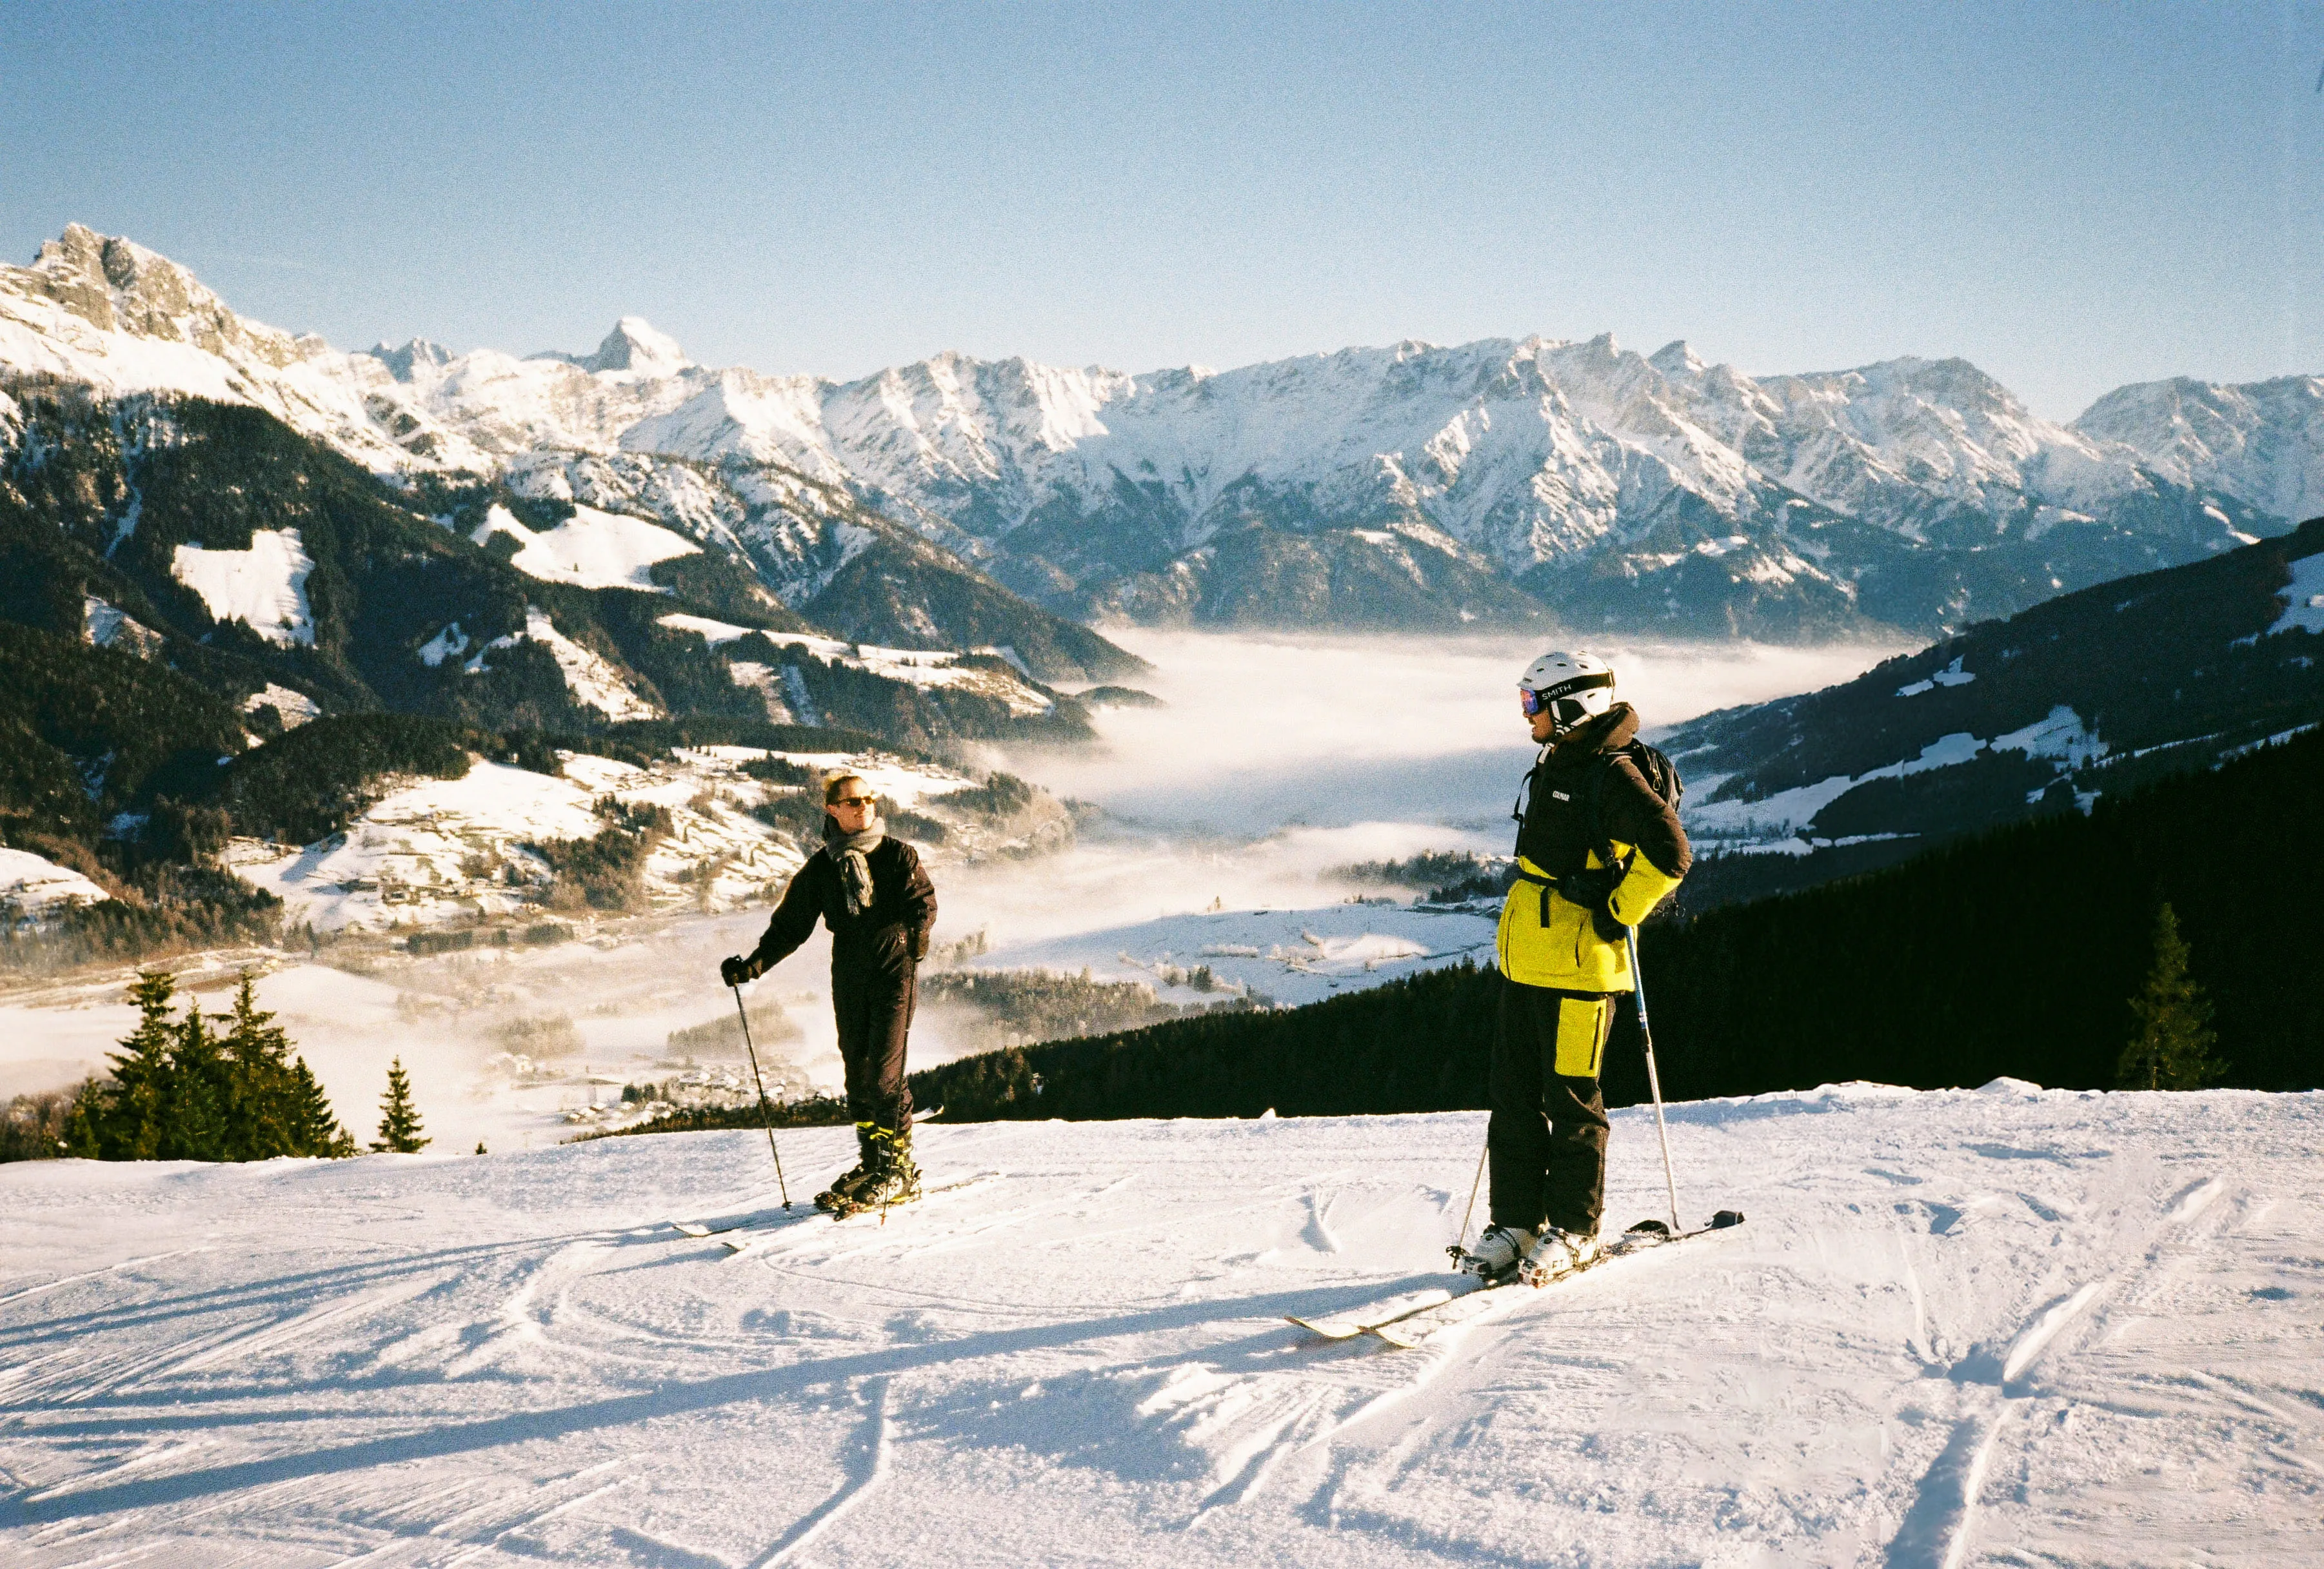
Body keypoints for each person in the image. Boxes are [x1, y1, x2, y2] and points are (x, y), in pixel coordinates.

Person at [1462, 651, 1691, 1286]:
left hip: (1581, 970)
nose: (1526, 715)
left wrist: (1621, 909)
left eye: (1532, 704)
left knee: (1571, 1104)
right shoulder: (1562, 762)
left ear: (1570, 707)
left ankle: (1574, 1230)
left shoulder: (1610, 774)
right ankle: (1516, 1223)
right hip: (1530, 960)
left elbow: (1671, 855)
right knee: (1512, 1099)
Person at [721, 773, 937, 1213]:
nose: (863, 806)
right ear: (832, 810)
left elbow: (924, 901)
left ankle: (897, 1169)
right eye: (853, 801)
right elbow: (790, 927)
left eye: (869, 799)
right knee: (857, 1072)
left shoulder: (898, 855)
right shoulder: (823, 868)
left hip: (895, 969)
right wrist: (750, 967)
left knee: (883, 1073)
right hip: (850, 973)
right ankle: (872, 1161)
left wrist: (919, 931)